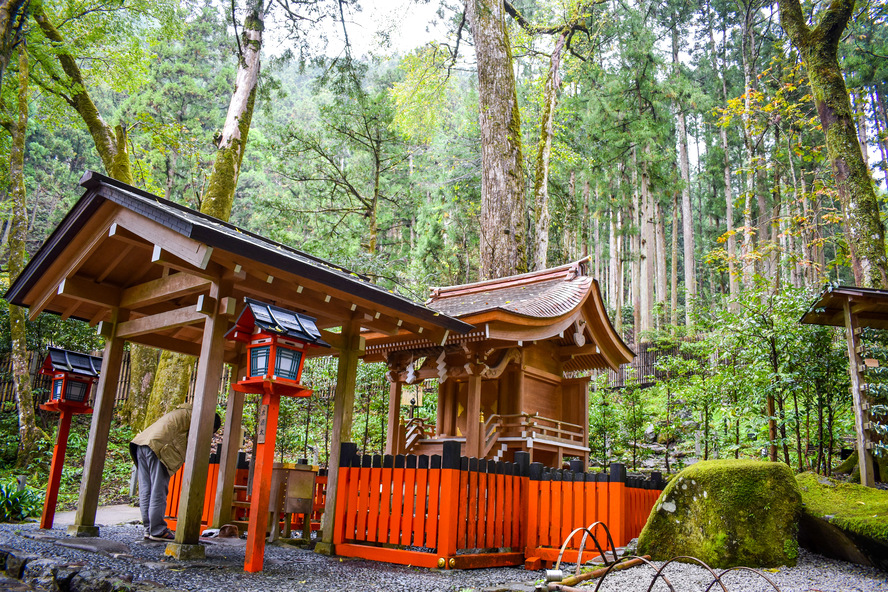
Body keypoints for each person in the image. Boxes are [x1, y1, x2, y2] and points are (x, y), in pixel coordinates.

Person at [129, 403, 221, 541]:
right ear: (211, 424)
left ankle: (149, 529)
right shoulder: (199, 418)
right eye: (212, 431)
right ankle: (158, 530)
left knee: (146, 489)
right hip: (159, 448)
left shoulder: (184, 412)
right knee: (158, 490)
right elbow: (195, 443)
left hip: (141, 444)